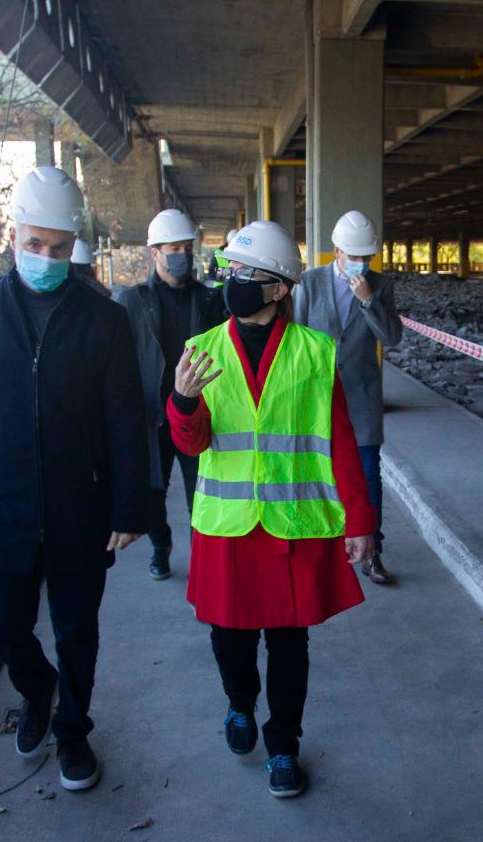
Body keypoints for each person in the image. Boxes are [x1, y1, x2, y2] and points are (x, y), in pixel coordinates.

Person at [0, 166, 149, 793]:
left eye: (58, 247)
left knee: (77, 631)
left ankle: (73, 731)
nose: (46, 258)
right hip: (3, 504)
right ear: (13, 235)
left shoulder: (103, 320)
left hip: (81, 505)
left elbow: (125, 420)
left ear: (73, 243)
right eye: (34, 244)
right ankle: (37, 686)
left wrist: (130, 507)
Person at [167, 220, 376, 799]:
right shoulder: (202, 350)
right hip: (228, 528)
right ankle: (240, 705)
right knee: (229, 640)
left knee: (289, 647)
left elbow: (340, 441)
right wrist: (182, 401)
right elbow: (191, 443)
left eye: (247, 273)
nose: (233, 280)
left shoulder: (314, 354)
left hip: (291, 528)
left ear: (279, 287)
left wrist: (360, 521)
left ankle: (283, 743)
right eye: (231, 270)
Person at [115, 209, 225, 581]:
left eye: (187, 248)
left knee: (201, 497)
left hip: (195, 413)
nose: (182, 255)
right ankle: (160, 546)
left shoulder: (209, 300)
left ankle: (201, 567)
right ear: (155, 253)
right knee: (152, 497)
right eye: (174, 249)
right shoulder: (133, 301)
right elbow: (121, 361)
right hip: (152, 418)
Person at [294, 210, 403, 584]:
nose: (361, 263)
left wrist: (368, 301)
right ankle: (319, 547)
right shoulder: (310, 283)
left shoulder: (380, 286)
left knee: (368, 475)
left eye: (366, 257)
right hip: (315, 397)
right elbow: (294, 337)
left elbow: (392, 337)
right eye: (354, 256)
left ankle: (374, 553)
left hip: (361, 397)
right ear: (337, 250)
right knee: (315, 474)